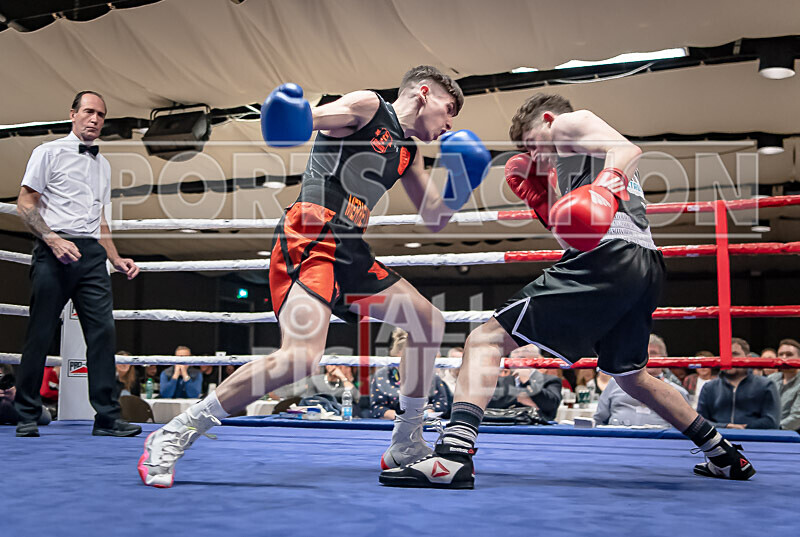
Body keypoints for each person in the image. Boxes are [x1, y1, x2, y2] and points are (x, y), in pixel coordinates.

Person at [139, 66, 491, 487]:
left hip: (351, 249)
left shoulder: (408, 153)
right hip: (312, 233)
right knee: (301, 358)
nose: (451, 123)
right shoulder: (368, 106)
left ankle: (406, 442)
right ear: (423, 92)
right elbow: (308, 121)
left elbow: (435, 217)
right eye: (449, 108)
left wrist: (463, 179)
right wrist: (292, 115)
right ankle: (174, 432)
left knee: (427, 321)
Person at [381, 94, 756, 489]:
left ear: (546, 120)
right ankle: (724, 455)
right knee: (631, 377)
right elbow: (575, 232)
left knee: (483, 340)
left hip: (608, 257)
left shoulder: (568, 124)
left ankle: (451, 458)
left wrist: (605, 187)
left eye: (531, 144)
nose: (534, 157)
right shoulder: (572, 163)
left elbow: (628, 149)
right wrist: (546, 200)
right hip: (644, 265)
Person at [14, 91, 141, 438]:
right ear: (72, 114)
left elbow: (98, 217)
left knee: (103, 333)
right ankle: (25, 413)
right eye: (88, 111)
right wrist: (52, 239)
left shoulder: (103, 164)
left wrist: (115, 257)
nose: (95, 119)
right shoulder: (48, 152)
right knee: (40, 333)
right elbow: (25, 203)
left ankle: (106, 417)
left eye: (101, 114)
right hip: (52, 252)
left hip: (91, 258)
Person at [696, 338, 780, 430]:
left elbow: (772, 421)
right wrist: (726, 427)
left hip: (754, 439)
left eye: (734, 354)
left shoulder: (766, 385)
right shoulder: (709, 387)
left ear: (748, 358)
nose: (728, 359)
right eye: (725, 355)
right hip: (717, 439)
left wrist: (744, 428)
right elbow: (700, 421)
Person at [595, 368, 690, 427]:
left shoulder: (677, 391)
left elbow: (688, 426)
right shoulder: (615, 383)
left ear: (663, 356)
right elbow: (599, 419)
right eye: (644, 353)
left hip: (660, 443)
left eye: (653, 353)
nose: (648, 357)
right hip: (618, 440)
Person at [766, 339, 800, 432]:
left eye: (789, 354)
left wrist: (771, 429)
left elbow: (797, 417)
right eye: (780, 354)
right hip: (768, 429)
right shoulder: (771, 378)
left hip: (793, 434)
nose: (784, 358)